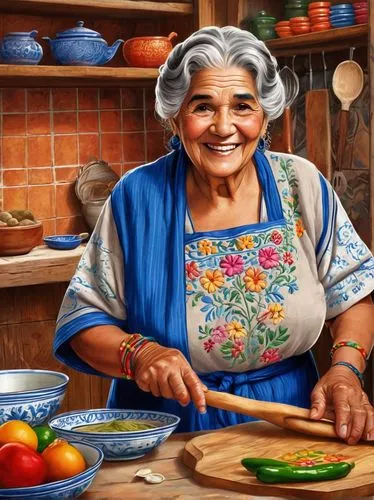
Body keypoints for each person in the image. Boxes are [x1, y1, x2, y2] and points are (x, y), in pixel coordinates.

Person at [54, 26, 374, 444]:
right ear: (175, 114)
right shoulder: (137, 196)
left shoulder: (300, 183)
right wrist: (141, 354)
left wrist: (345, 370)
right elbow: (83, 321)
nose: (224, 127)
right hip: (166, 429)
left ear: (263, 115)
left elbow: (352, 293)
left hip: (287, 421)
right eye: (203, 106)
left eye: (242, 106)